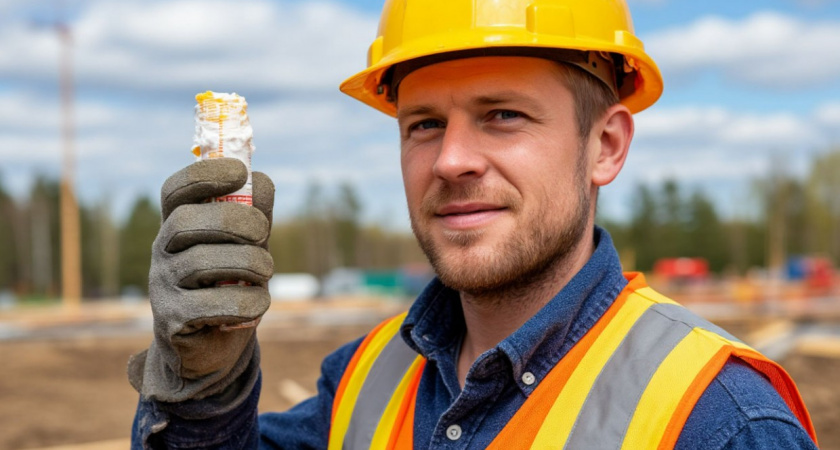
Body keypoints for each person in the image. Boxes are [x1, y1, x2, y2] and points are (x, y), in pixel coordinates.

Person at [128, 0, 820, 448]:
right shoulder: (366, 382)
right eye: (423, 125)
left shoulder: (721, 419)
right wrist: (205, 389)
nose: (452, 160)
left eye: (503, 116)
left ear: (605, 146)